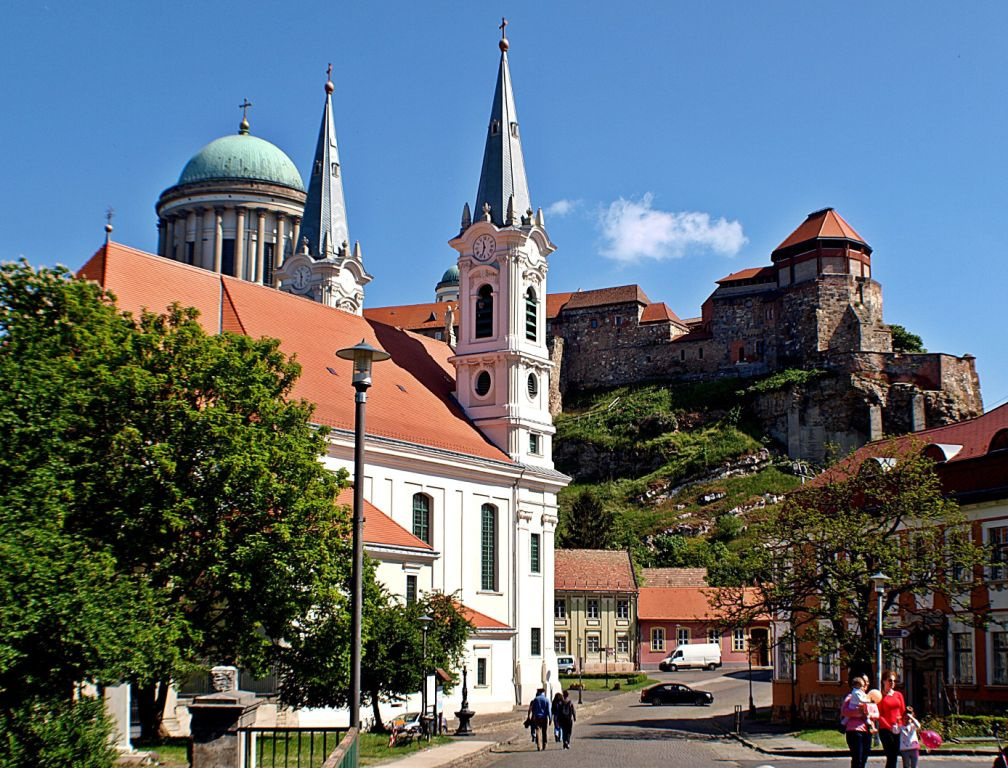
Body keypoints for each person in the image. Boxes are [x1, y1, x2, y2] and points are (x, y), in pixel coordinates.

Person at [842, 675, 874, 768]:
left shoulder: (868, 696)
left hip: (866, 731)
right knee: (857, 757)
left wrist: (868, 714)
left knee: (864, 756)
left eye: (866, 683)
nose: (865, 685)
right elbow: (844, 711)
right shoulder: (852, 695)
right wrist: (858, 713)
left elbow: (876, 713)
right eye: (863, 684)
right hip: (854, 730)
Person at [877, 670, 907, 768]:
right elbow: (879, 715)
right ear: (884, 681)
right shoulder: (880, 696)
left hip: (898, 728)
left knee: (896, 755)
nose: (892, 683)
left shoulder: (898, 695)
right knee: (891, 755)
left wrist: (903, 725)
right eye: (890, 680)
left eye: (894, 681)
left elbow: (903, 711)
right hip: (886, 729)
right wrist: (889, 727)